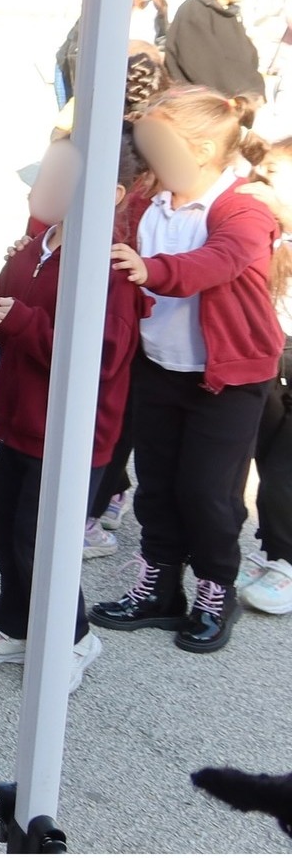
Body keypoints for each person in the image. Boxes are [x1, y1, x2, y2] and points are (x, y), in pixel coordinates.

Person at [0, 132, 150, 689]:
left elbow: (101, 358)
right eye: (44, 172)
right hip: (20, 422)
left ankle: (74, 638)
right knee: (9, 530)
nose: (42, 186)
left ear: (111, 194)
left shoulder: (109, 270)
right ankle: (17, 626)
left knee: (42, 540)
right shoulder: (33, 250)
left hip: (72, 435)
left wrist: (25, 321)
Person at [94, 88, 279, 654]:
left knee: (208, 492)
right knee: (157, 484)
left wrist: (150, 269)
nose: (147, 156)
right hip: (159, 367)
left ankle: (215, 592)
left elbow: (218, 261)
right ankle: (159, 588)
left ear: (199, 150)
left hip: (227, 380)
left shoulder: (242, 207)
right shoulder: (152, 201)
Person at [238, 138, 292, 616]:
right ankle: (273, 549)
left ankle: (286, 562)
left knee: (284, 474)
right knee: (268, 457)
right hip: (270, 352)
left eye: (274, 173)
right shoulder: (259, 221)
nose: (262, 180)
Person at [56, 0, 169, 106]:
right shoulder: (107, 8)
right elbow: (76, 53)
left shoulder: (157, 8)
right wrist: (84, 97)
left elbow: (162, 39)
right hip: (82, 74)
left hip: (135, 78)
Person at [164, 0, 265, 99]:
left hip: (239, 101)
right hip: (206, 105)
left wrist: (256, 92)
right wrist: (244, 97)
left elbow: (247, 63)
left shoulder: (229, 15)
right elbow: (207, 69)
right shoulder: (194, 12)